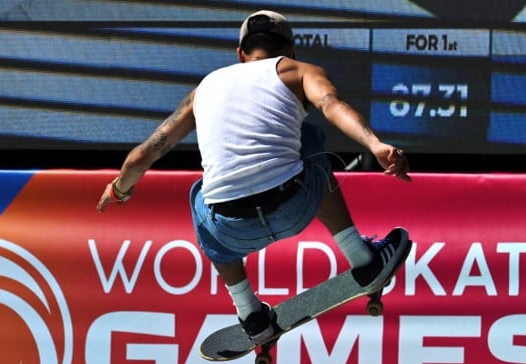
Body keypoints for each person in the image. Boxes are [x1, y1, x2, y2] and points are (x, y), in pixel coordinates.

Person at [97, 9, 412, 343]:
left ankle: (249, 313)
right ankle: (361, 257)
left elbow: (148, 152)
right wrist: (375, 144)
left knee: (200, 194)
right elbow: (332, 105)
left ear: (240, 53)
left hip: (230, 230)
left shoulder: (203, 90)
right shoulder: (298, 71)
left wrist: (118, 190)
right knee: (313, 141)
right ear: (291, 49)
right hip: (294, 207)